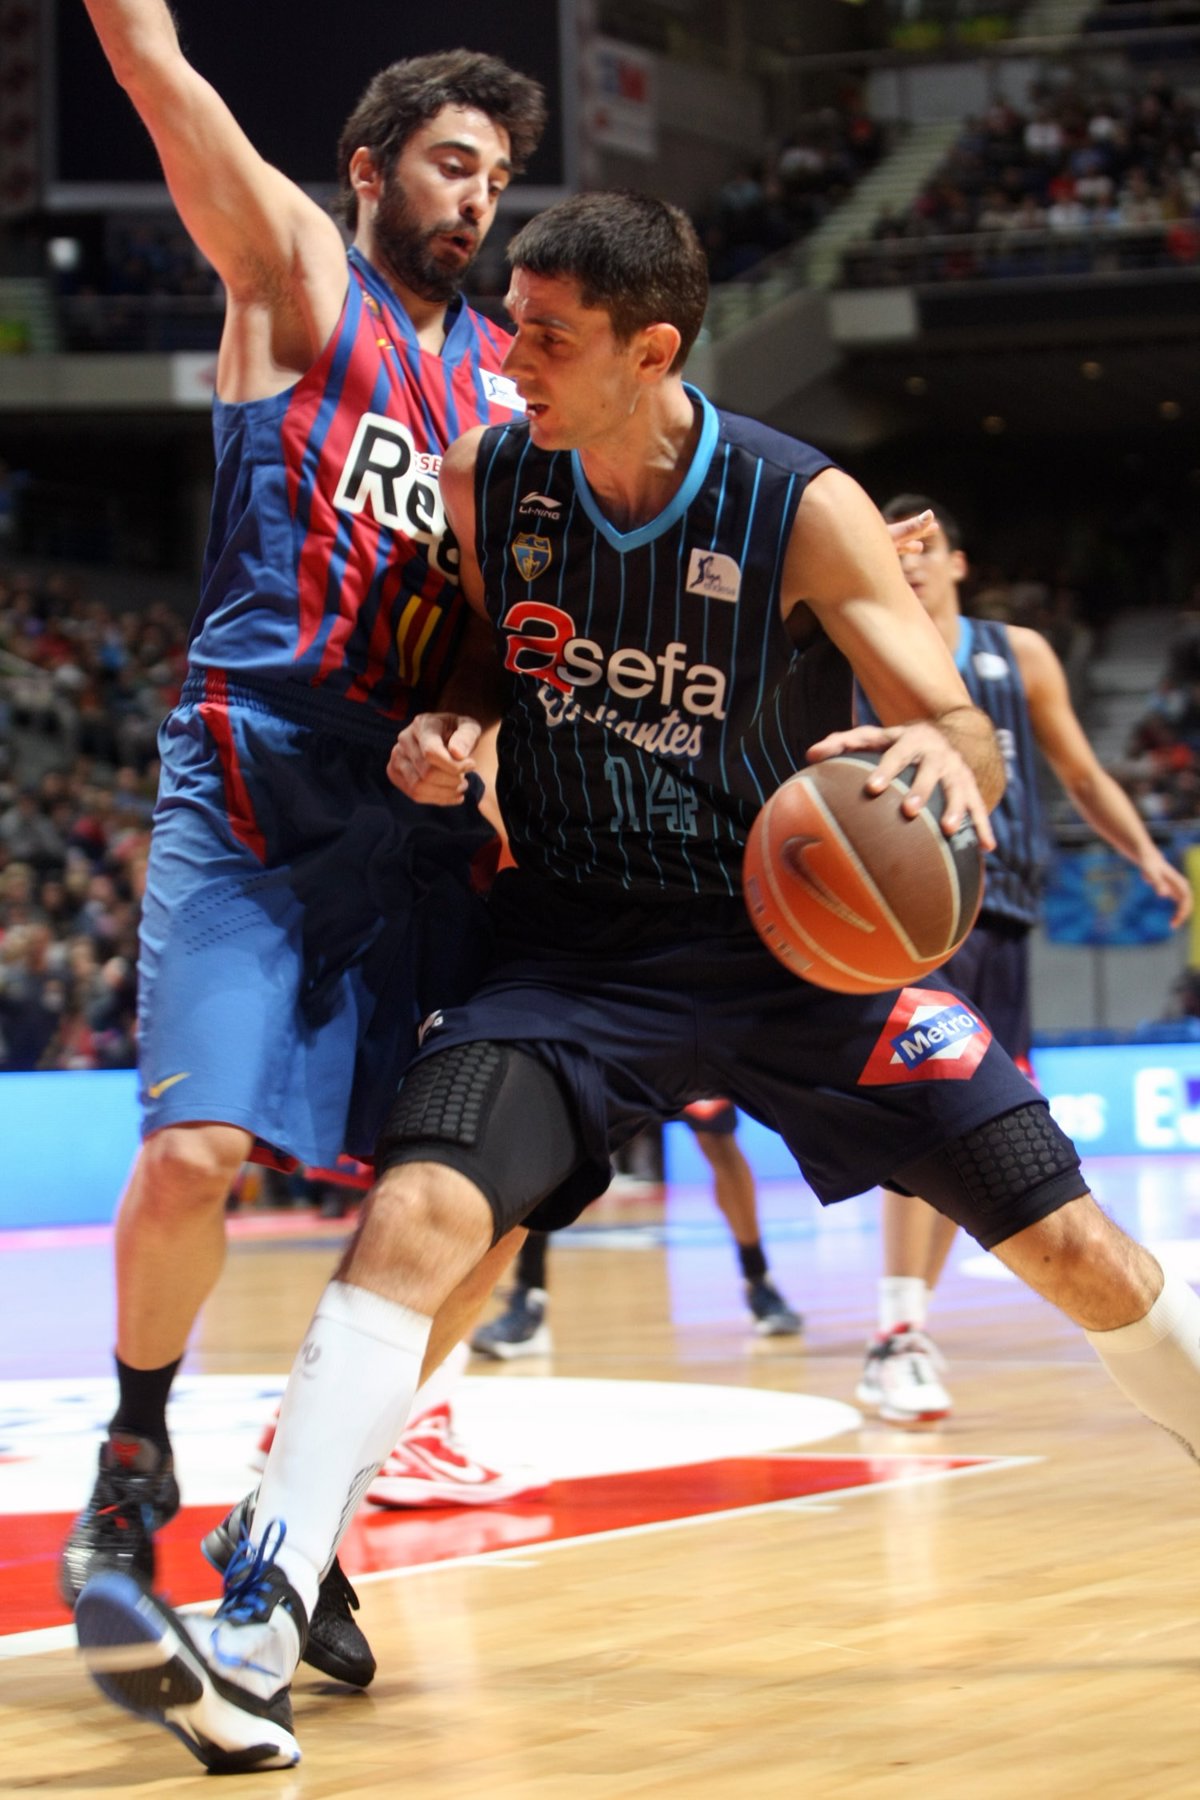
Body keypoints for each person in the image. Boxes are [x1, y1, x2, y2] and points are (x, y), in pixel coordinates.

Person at [76, 191, 1200, 1777]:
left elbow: (954, 720)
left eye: (548, 335)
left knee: (1076, 1246)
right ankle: (256, 1623)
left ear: (650, 350)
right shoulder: (495, 476)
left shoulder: (797, 507)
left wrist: (947, 759)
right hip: (577, 955)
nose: (508, 356)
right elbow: (487, 646)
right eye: (511, 322)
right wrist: (460, 719)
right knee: (421, 1213)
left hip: (795, 953)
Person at [62, 0, 547, 1693]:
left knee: (485, 1202)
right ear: (368, 168)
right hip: (259, 773)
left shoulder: (511, 388)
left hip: (420, 823)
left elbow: (514, 624)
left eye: (498, 178)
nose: (477, 198)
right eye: (452, 163)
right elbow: (152, 67)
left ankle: (305, 1510)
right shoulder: (293, 273)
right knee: (198, 1150)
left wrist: (479, 733)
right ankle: (134, 1455)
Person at [854, 495, 1193, 1425]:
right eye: (897, 548)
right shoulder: (861, 650)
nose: (911, 560)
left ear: (959, 564)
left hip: (1003, 917)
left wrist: (1146, 855)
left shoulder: (1020, 654)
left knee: (969, 1133)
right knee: (928, 1116)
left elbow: (1080, 772)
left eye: (928, 547)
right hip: (915, 919)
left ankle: (907, 1328)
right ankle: (896, 1332)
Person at [473, 1099, 801, 1357]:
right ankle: (529, 1297)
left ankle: (759, 1280)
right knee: (550, 1141)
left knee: (718, 1140)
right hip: (614, 1035)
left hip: (681, 1037)